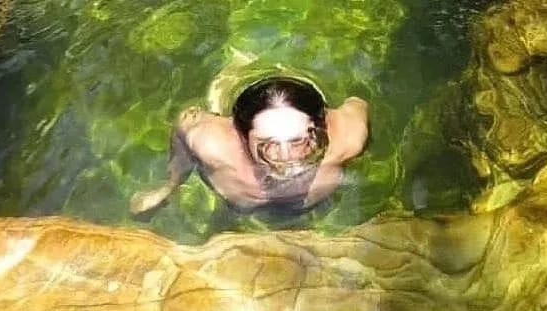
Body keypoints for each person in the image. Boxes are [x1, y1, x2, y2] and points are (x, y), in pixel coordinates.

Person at [129, 76, 369, 215]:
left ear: (320, 127)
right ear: (241, 136)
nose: (286, 158)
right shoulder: (209, 143)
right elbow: (185, 125)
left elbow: (358, 102)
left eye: (298, 141)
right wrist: (172, 183)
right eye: (267, 144)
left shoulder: (350, 137)